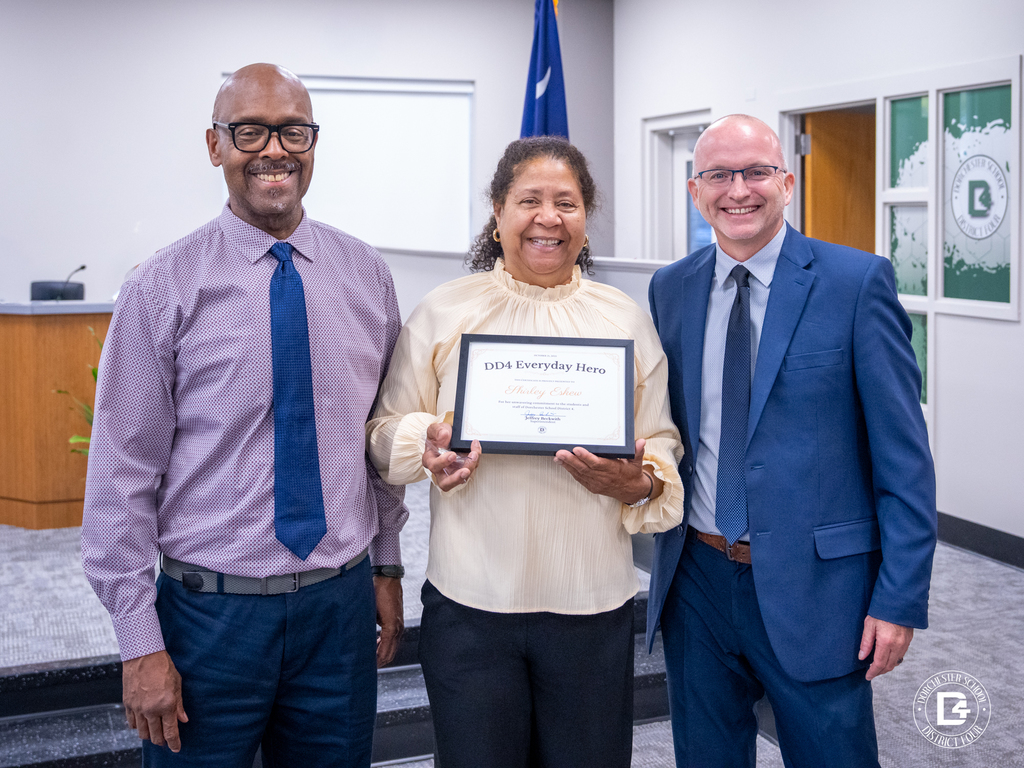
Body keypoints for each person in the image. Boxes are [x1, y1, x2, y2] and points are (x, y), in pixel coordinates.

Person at [81, 63, 407, 766]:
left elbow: (376, 443)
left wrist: (386, 565)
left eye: (293, 130)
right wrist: (140, 644)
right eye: (250, 131)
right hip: (209, 622)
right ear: (215, 145)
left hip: (336, 611)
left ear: (313, 142)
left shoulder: (365, 276)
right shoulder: (161, 288)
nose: (274, 150)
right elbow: (120, 475)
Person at [367, 136, 684, 768]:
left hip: (591, 606)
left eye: (565, 202)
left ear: (585, 218)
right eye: (529, 200)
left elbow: (663, 440)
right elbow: (382, 433)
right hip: (471, 605)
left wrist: (640, 483)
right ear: (497, 210)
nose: (548, 217)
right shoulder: (442, 312)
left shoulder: (623, 318)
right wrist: (424, 444)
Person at [647, 114, 938, 767]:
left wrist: (899, 597)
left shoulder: (856, 283)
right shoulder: (671, 289)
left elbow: (906, 462)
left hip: (820, 588)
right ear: (696, 191)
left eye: (755, 172)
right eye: (719, 174)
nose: (738, 189)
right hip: (696, 579)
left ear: (788, 181)